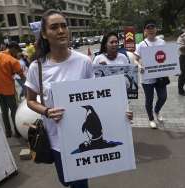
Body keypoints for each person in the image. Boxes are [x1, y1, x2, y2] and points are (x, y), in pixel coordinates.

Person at [24, 10, 133, 188]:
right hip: (57, 139)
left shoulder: (84, 62)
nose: (61, 30)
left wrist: (121, 115)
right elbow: (30, 100)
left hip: (79, 138)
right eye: (54, 27)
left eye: (63, 26)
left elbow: (98, 97)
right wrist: (47, 111)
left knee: (80, 183)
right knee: (66, 181)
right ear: (44, 34)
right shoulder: (37, 67)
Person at [133, 19, 167, 129]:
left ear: (156, 29)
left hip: (160, 76)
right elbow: (135, 59)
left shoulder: (162, 42)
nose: (151, 30)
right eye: (148, 28)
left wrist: (173, 69)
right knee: (149, 99)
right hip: (147, 77)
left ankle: (157, 111)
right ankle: (151, 118)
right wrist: (139, 66)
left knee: (163, 97)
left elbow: (167, 58)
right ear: (145, 31)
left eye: (153, 27)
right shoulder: (141, 45)